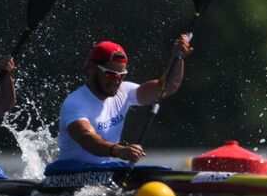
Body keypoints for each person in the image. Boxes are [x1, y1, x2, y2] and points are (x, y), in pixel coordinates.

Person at [52, 37, 192, 166]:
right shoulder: (75, 102)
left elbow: (166, 87)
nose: (116, 81)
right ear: (92, 68)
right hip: (70, 175)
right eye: (110, 74)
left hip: (103, 174)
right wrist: (119, 150)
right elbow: (86, 138)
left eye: (121, 75)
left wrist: (177, 58)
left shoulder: (124, 92)